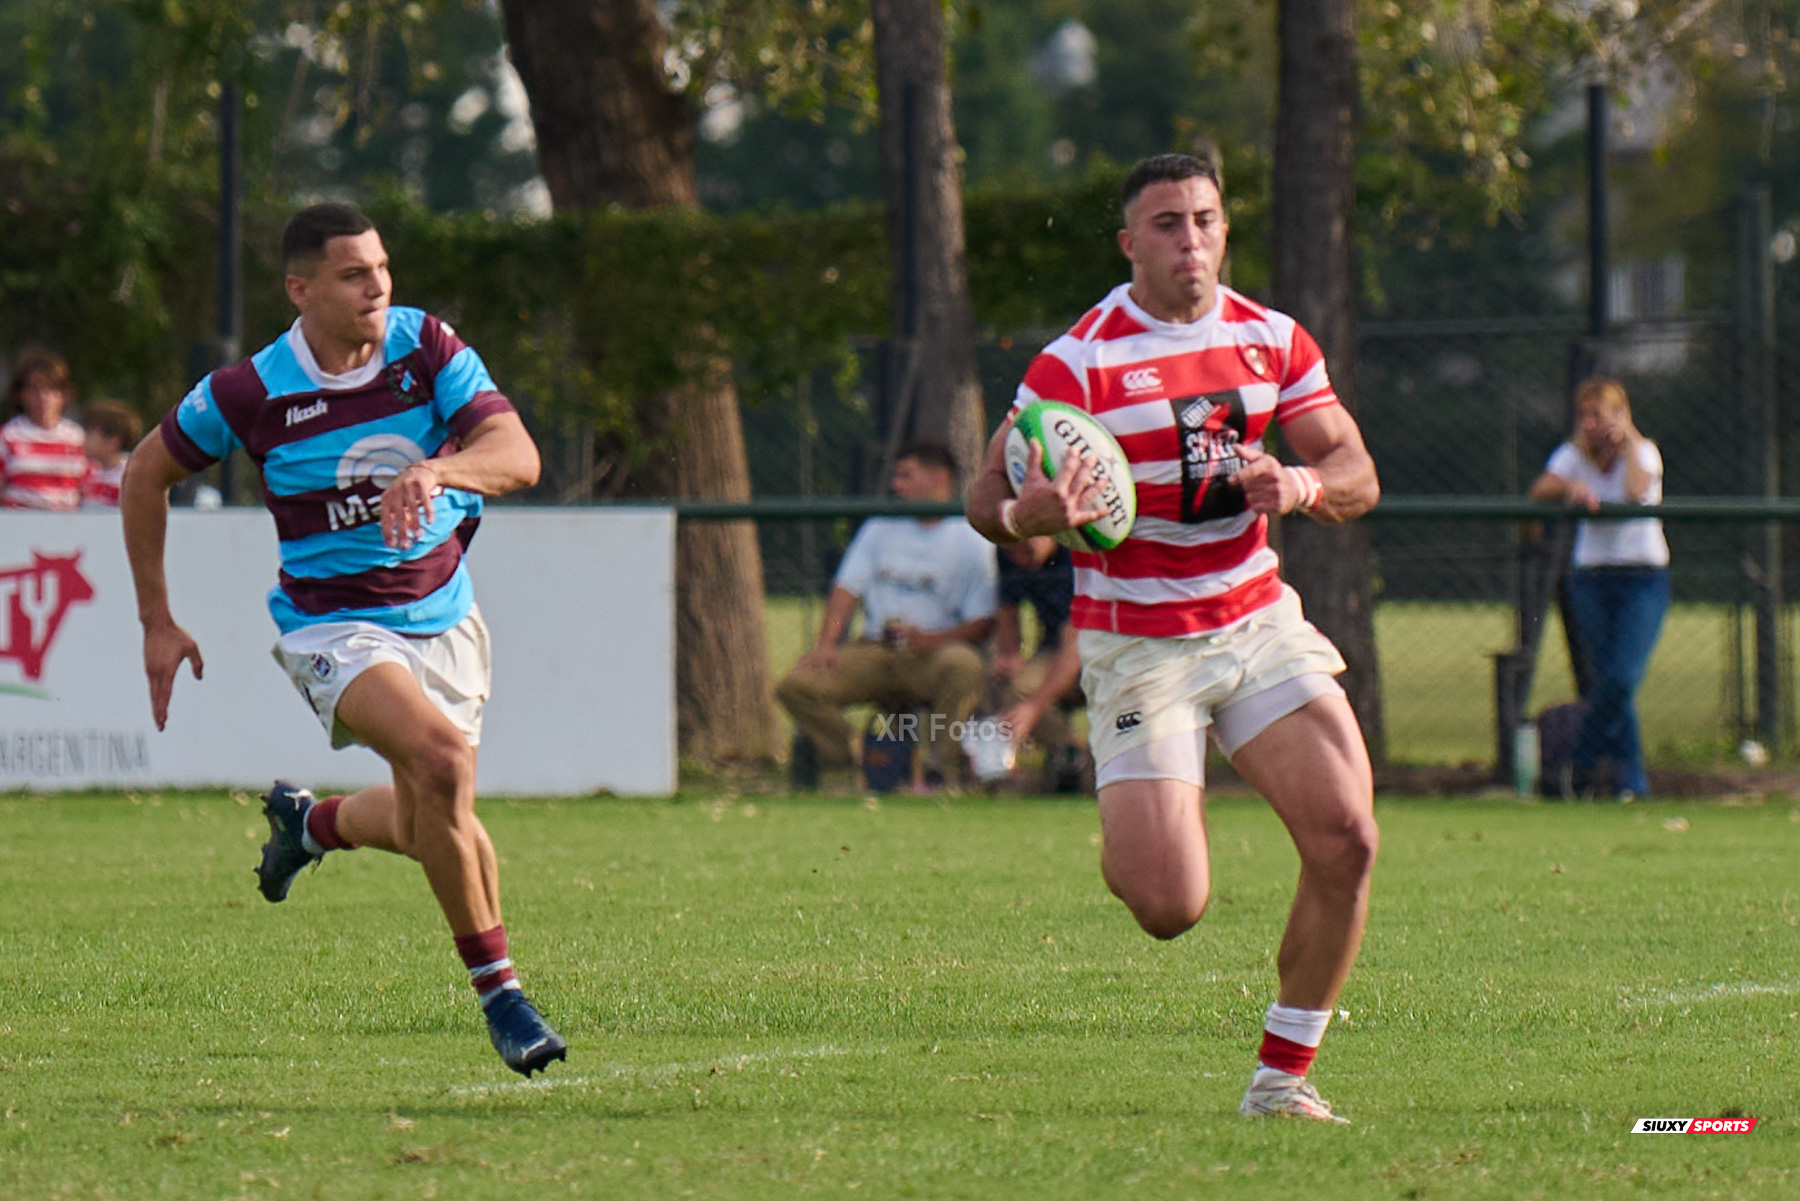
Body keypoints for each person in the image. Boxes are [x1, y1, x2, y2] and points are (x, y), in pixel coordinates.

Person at [965, 153, 1381, 1122]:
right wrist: (1029, 516)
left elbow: (1355, 468)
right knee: (1167, 904)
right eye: (1166, 224)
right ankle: (1134, 820)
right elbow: (986, 495)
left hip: (1254, 619)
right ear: (1129, 244)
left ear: (1225, 230)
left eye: (1204, 219)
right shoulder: (1078, 362)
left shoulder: (1272, 339)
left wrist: (1301, 485)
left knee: (1348, 837)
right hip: (1139, 644)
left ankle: (1281, 1079)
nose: (1190, 240)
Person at [120, 202, 566, 1077]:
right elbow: (144, 473)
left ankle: (312, 822)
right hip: (333, 627)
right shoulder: (251, 391)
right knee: (442, 765)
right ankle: (503, 997)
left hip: (445, 615)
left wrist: (437, 468)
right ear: (302, 289)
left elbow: (518, 455)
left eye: (382, 268)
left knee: (433, 816)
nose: (378, 286)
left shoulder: (423, 346)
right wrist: (156, 620)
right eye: (355, 274)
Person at [776, 442, 997, 787]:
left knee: (964, 666)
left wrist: (930, 640)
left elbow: (982, 622)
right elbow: (846, 589)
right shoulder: (879, 527)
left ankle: (940, 769)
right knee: (797, 686)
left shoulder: (971, 538)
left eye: (906, 475)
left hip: (935, 653)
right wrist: (827, 643)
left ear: (939, 478)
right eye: (896, 476)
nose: (896, 485)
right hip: (876, 649)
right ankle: (853, 758)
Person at [1527, 377, 1668, 798]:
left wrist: (1627, 441)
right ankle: (1629, 783)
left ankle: (1580, 762)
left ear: (1620, 415)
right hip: (1591, 578)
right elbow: (1540, 489)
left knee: (1621, 679)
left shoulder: (1644, 452)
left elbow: (1635, 490)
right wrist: (1571, 487)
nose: (1590, 424)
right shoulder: (1573, 455)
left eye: (1598, 415)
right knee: (1607, 679)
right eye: (1584, 416)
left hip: (1641, 577)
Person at [992, 536, 1086, 790]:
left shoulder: (1077, 553)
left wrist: (1034, 706)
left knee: (1030, 699)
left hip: (1099, 644)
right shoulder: (1007, 550)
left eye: (1026, 550)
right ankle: (1073, 755)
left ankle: (1089, 763)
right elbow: (1007, 607)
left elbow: (1076, 643)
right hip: (1053, 646)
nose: (1019, 559)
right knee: (1017, 687)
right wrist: (1009, 655)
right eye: (1013, 552)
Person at [2, 348, 89, 510]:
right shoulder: (7, 436)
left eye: (51, 388)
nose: (43, 397)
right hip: (19, 520)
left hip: (67, 521)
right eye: (34, 389)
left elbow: (87, 490)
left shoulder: (77, 438)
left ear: (64, 394)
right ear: (20, 394)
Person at [81, 399, 142, 508]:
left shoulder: (129, 477)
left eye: (90, 434)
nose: (84, 439)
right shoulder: (86, 472)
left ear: (113, 441)